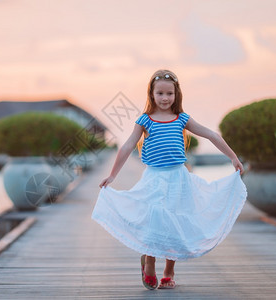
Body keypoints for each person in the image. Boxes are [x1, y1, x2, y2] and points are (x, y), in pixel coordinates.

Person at [91, 69, 247, 290]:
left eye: (169, 94)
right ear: (152, 94)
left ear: (176, 94)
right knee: (153, 221)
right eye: (160, 93)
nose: (165, 98)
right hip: (154, 178)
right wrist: (112, 175)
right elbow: (127, 146)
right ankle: (150, 263)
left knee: (175, 222)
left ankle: (169, 271)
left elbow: (211, 134)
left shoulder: (181, 118)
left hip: (178, 179)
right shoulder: (144, 120)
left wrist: (233, 157)